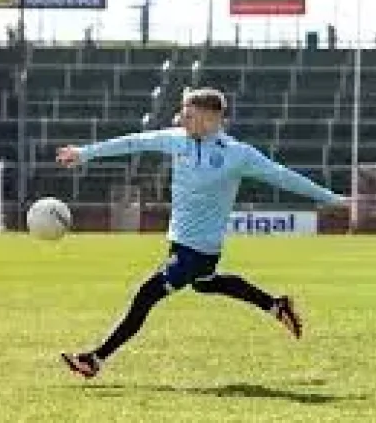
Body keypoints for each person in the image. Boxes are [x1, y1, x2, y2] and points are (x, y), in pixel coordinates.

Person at [56, 87, 347, 379]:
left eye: (189, 114)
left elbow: (283, 176)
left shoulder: (237, 154)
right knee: (205, 284)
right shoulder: (177, 140)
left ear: (211, 119)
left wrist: (331, 198)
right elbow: (133, 142)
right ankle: (276, 305)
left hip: (199, 248)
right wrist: (84, 153)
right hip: (181, 241)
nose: (182, 117)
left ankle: (94, 359)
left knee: (147, 295)